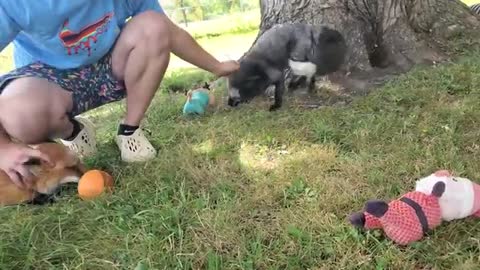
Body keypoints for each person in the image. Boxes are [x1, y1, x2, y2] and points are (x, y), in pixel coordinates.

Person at [0, 1, 240, 189]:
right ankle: (72, 132)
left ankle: (129, 131)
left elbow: (167, 31)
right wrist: (3, 148)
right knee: (17, 113)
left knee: (153, 25)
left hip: (112, 64)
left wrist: (215, 66)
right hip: (48, 78)